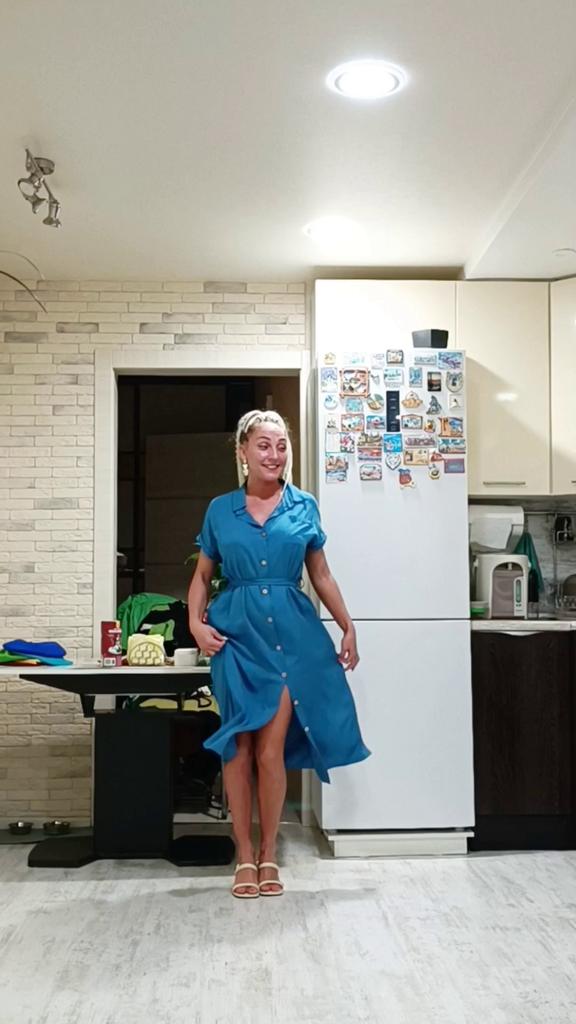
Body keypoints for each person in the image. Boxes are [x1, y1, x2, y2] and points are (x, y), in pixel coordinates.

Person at [188, 410, 370, 898]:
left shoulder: (303, 505)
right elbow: (202, 575)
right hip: (236, 638)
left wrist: (347, 625)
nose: (274, 455)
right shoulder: (220, 510)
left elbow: (321, 574)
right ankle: (243, 855)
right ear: (243, 452)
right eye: (264, 445)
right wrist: (195, 623)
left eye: (282, 445)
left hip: (292, 638)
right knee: (238, 747)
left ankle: (269, 854)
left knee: (271, 750)